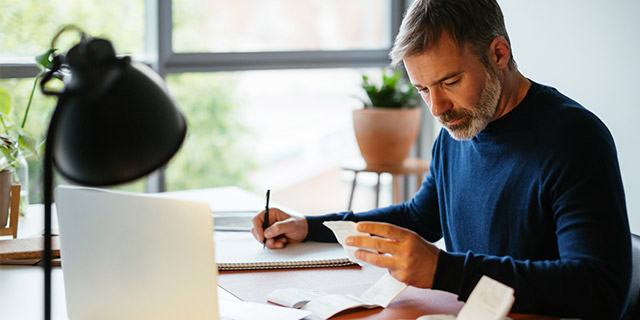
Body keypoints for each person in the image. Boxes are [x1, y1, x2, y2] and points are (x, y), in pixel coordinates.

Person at [251, 0, 632, 318]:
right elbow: (420, 217)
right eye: (422, 89)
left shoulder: (574, 138)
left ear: (499, 53)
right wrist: (310, 226)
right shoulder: (460, 128)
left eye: (450, 82)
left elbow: (599, 288)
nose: (437, 108)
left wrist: (443, 270)